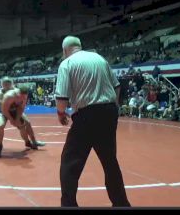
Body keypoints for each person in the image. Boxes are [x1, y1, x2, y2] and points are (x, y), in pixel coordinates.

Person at [55, 36, 130, 207]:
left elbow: (62, 99)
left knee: (70, 162)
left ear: (65, 50)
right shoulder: (99, 59)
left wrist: (61, 113)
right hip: (109, 112)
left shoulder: (67, 63)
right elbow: (117, 86)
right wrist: (113, 107)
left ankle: (68, 204)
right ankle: (121, 203)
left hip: (87, 115)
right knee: (109, 161)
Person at [0, 84, 44, 158]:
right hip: (3, 112)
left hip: (15, 111)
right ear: (18, 93)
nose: (23, 98)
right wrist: (11, 120)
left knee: (23, 124)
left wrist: (17, 119)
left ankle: (29, 142)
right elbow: (4, 110)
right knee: (1, 124)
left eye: (25, 97)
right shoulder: (10, 96)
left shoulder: (24, 96)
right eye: (22, 96)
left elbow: (21, 109)